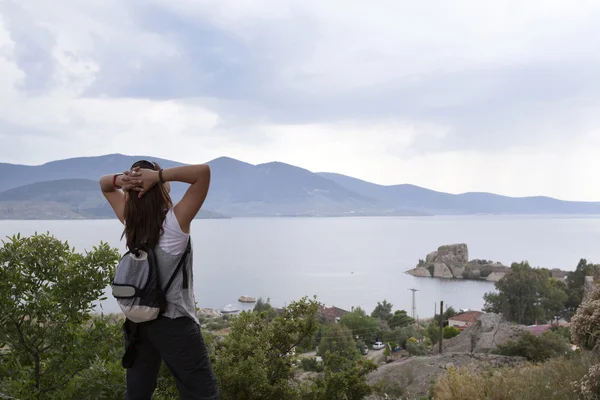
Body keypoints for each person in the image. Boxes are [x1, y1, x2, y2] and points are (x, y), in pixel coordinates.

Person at [99, 160, 219, 400]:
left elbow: (105, 185)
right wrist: (159, 175)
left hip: (139, 322)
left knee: (137, 394)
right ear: (159, 185)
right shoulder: (173, 225)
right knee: (201, 395)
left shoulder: (132, 222)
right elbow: (202, 173)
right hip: (176, 323)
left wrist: (124, 180)